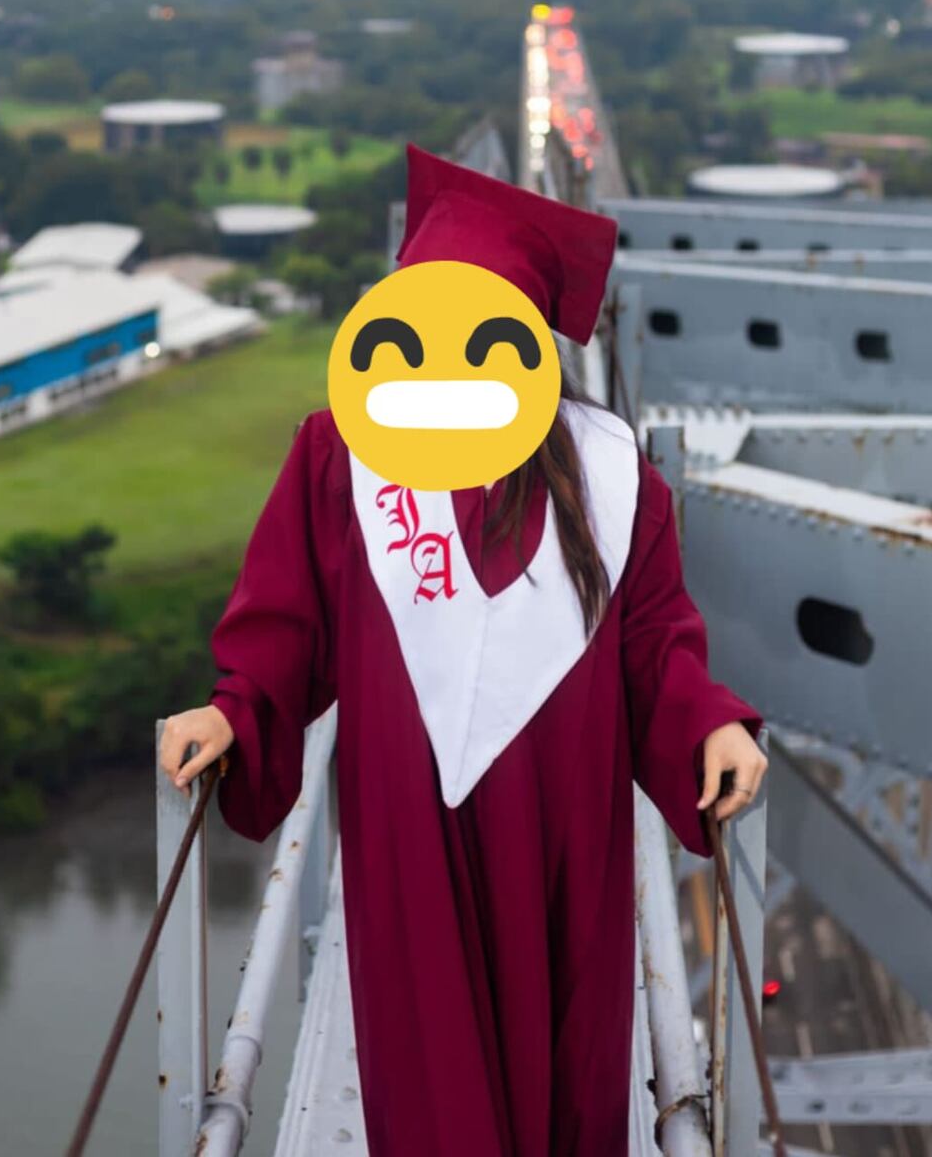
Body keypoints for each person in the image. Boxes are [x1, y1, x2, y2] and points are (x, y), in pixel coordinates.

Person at [160, 145, 767, 1157]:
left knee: (569, 1077)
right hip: (414, 831)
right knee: (434, 1079)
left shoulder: (615, 478)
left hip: (563, 829)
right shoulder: (339, 458)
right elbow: (286, 620)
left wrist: (710, 723)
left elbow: (656, 641)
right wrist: (233, 711)